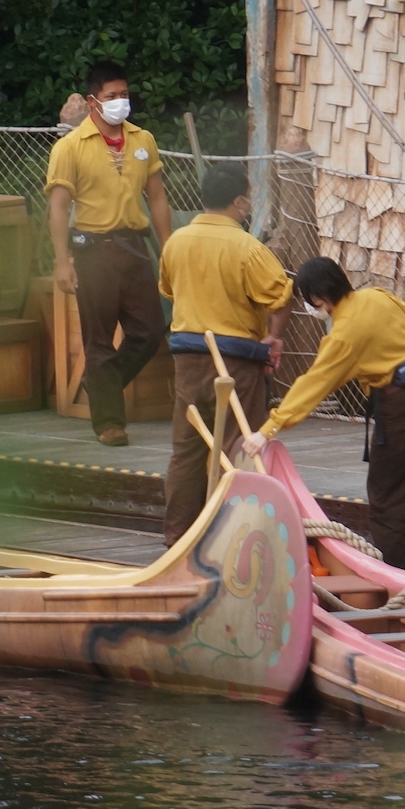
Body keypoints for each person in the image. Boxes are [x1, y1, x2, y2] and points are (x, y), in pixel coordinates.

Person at [240, 258, 405, 573]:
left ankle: (395, 579)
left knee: (386, 500)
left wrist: (267, 429)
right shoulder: (378, 296)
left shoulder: (344, 335)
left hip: (399, 405)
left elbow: (313, 385)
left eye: (309, 301)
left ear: (319, 299)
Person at [158, 164, 292, 544]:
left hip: (187, 357)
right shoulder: (248, 248)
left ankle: (178, 534)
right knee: (239, 444)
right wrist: (274, 336)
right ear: (239, 202)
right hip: (237, 361)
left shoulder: (176, 242)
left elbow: (168, 290)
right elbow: (281, 297)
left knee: (186, 448)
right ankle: (236, 534)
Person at [46, 60, 173, 447]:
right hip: (93, 249)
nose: (120, 102)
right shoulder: (70, 146)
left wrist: (168, 248)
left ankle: (102, 383)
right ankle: (109, 423)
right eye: (111, 96)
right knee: (98, 339)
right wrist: (62, 259)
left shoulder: (143, 139)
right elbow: (58, 206)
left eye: (124, 95)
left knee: (150, 332)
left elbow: (157, 197)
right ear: (92, 102)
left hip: (134, 247)